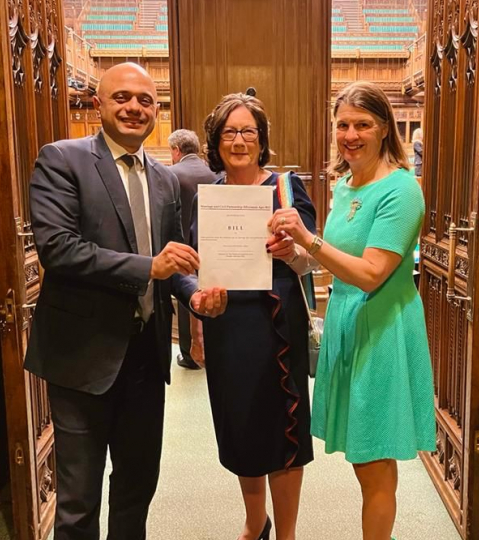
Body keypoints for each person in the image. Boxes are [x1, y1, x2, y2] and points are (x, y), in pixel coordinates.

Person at [25, 62, 227, 540]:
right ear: (99, 104)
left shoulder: (164, 179)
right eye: (122, 98)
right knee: (78, 501)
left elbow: (176, 260)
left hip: (144, 360)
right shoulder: (62, 159)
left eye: (145, 100)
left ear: (156, 110)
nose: (134, 107)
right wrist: (147, 268)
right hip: (82, 358)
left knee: (137, 490)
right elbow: (58, 249)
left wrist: (196, 293)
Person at [270, 81, 435, 540]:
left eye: (362, 124)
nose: (350, 134)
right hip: (347, 321)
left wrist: (309, 239)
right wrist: (293, 253)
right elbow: (330, 261)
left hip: (382, 331)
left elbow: (369, 274)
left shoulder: (402, 190)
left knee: (373, 458)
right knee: (364, 453)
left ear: (385, 129)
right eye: (342, 124)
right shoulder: (345, 185)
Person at [190, 93, 317, 540]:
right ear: (216, 141)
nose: (239, 140)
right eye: (230, 132)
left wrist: (294, 249)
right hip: (226, 326)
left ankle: (286, 534)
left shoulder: (285, 187)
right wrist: (197, 330)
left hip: (276, 325)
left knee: (283, 432)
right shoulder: (209, 197)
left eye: (249, 132)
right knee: (240, 424)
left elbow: (310, 257)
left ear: (262, 141)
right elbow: (197, 267)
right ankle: (254, 521)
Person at [167, 129, 217, 370]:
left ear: (176, 151)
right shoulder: (215, 172)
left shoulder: (170, 174)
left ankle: (189, 354)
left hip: (184, 245)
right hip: (215, 244)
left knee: (189, 296)